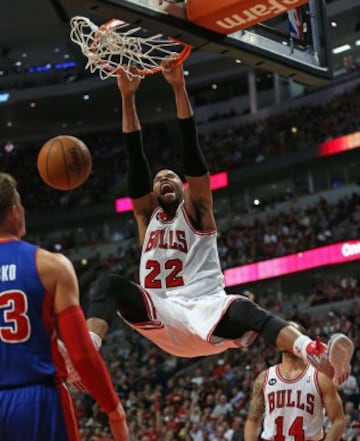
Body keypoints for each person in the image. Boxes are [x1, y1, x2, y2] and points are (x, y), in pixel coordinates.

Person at [85, 60, 353, 387]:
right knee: (107, 284)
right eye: (159, 181)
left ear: (183, 187)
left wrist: (179, 87)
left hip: (203, 306)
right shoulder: (147, 217)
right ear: (152, 193)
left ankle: (315, 353)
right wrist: (127, 98)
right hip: (162, 313)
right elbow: (135, 159)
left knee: (245, 309)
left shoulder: (196, 208)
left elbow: (192, 154)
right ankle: (85, 355)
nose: (164, 180)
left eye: (171, 177)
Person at [0, 173, 128, 441]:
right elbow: (81, 354)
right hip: (39, 400)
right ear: (14, 211)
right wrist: (114, 410)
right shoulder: (50, 266)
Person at [244, 322, 346, 441]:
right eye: (284, 337)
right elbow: (253, 420)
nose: (288, 341)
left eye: (292, 337)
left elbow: (338, 421)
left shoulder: (319, 377)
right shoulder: (264, 378)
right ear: (278, 343)